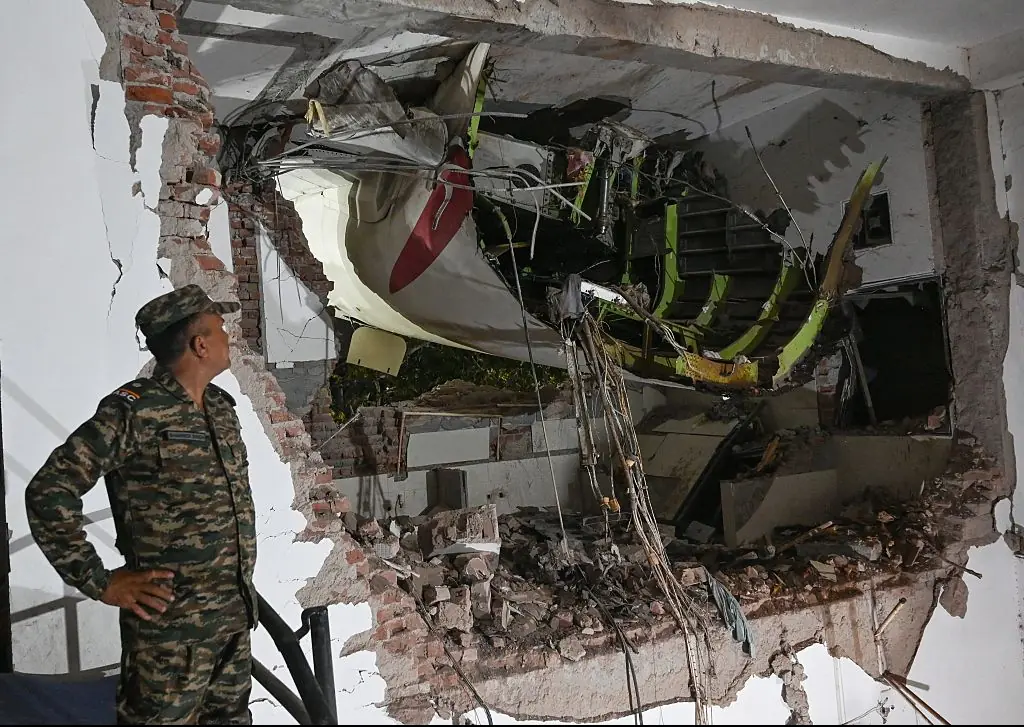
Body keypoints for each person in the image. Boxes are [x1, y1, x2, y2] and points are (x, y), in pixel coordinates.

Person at [24, 284, 258, 724]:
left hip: (232, 624)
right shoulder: (134, 410)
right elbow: (49, 491)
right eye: (220, 328)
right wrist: (100, 581)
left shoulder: (221, 409)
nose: (229, 337)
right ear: (199, 344)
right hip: (169, 636)